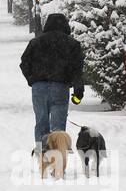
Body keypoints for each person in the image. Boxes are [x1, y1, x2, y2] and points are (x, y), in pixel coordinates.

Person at [20, 12, 85, 150]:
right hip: (60, 87)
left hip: (39, 88)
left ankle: (42, 154)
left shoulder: (36, 42)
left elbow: (24, 63)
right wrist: (78, 91)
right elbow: (77, 69)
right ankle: (58, 158)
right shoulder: (72, 44)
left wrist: (32, 79)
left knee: (41, 122)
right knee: (58, 126)